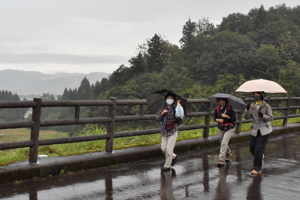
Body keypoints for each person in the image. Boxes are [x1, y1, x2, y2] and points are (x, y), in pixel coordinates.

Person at [243, 92, 273, 175]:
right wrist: (246, 109)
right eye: (254, 94)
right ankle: (260, 156)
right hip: (255, 129)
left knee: (258, 149)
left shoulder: (266, 106)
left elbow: (271, 117)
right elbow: (246, 117)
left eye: (257, 94)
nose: (255, 95)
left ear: (261, 95)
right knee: (252, 148)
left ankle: (257, 168)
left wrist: (263, 116)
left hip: (264, 130)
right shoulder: (252, 105)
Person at [156, 94, 184, 171]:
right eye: (168, 98)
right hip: (165, 130)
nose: (170, 99)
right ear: (166, 99)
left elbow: (180, 117)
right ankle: (174, 156)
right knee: (163, 149)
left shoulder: (176, 107)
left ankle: (167, 165)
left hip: (173, 129)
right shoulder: (162, 108)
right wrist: (163, 113)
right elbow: (157, 118)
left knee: (169, 149)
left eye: (171, 98)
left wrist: (179, 107)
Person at [214, 98, 236, 167]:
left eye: (223, 101)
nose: (222, 102)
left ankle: (221, 159)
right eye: (220, 101)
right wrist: (218, 120)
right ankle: (228, 152)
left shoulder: (230, 109)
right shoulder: (217, 108)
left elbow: (234, 119)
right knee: (221, 140)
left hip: (229, 128)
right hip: (221, 127)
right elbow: (214, 118)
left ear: (226, 101)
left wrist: (227, 116)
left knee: (224, 143)